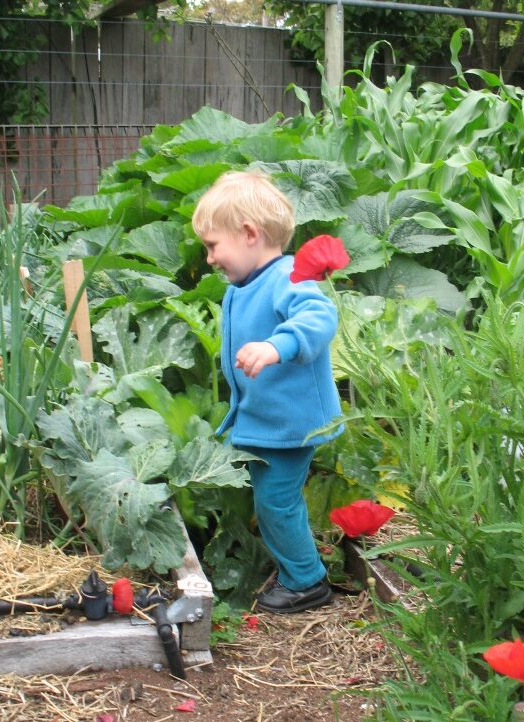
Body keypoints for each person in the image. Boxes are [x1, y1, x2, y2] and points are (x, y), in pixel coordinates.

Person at [192, 170, 343, 613]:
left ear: (249, 235)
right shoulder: (245, 286)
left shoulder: (288, 278)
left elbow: (320, 319)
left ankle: (307, 581)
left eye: (213, 246)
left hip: (290, 423)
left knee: (276, 501)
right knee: (273, 499)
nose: (209, 259)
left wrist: (276, 346)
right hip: (267, 419)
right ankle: (295, 563)